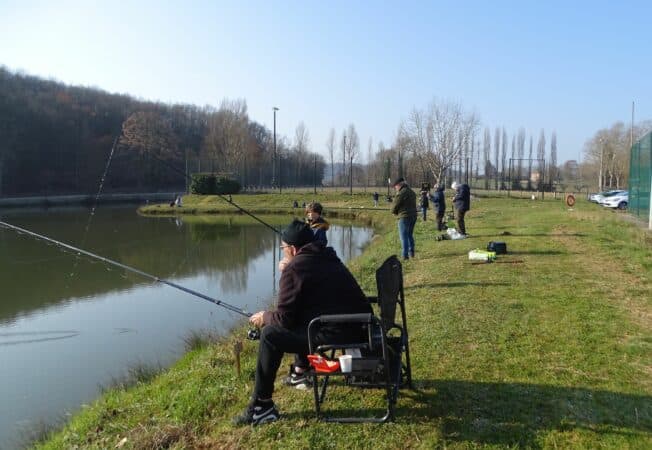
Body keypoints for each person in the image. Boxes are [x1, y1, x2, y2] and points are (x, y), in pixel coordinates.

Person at [233, 220, 372, 425]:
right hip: (359, 325)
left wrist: (264, 317)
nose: (283, 252)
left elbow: (283, 320)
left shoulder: (296, 268)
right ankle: (301, 370)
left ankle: (261, 406)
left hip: (341, 331)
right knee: (299, 315)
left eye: (283, 248)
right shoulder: (326, 255)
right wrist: (291, 268)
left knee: (270, 335)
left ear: (293, 249)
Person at [390, 177, 417, 260]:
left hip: (404, 217)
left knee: (403, 237)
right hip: (413, 216)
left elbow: (395, 206)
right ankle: (411, 252)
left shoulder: (401, 193)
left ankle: (405, 256)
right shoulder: (411, 191)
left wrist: (393, 212)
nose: (395, 188)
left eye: (395, 186)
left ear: (399, 185)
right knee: (409, 235)